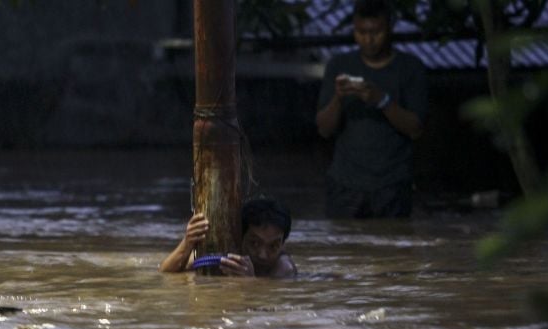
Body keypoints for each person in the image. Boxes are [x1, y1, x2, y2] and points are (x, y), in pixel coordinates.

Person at [315, 0, 428, 218]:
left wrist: (382, 100)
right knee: (343, 248)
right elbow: (323, 129)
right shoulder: (339, 65)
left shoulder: (410, 67)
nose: (368, 39)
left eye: (376, 32)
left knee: (395, 249)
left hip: (392, 184)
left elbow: (416, 128)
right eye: (361, 32)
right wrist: (338, 98)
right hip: (345, 184)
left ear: (390, 28)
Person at [159, 198, 297, 278]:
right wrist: (188, 241)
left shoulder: (284, 267)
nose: (263, 254)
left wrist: (250, 282)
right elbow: (164, 274)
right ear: (241, 237)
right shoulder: (228, 251)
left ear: (283, 244)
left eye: (273, 246)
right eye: (254, 243)